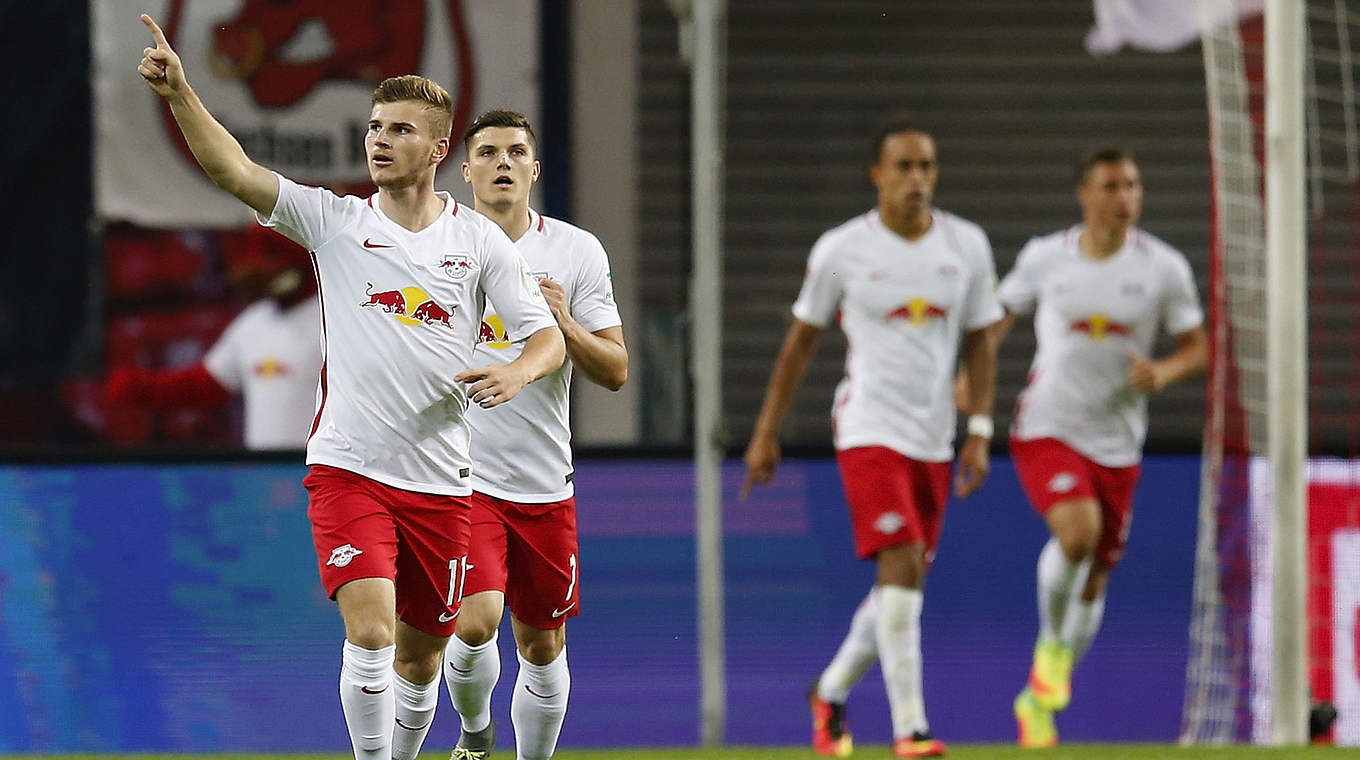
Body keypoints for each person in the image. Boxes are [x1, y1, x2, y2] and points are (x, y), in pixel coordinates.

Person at [137, 16, 565, 760]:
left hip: (441, 479)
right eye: (373, 126)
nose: (378, 140)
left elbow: (547, 338)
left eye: (399, 130)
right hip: (349, 467)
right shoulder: (334, 223)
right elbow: (236, 171)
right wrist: (181, 95)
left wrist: (516, 370)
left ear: (437, 150)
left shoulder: (479, 242)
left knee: (421, 658)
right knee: (370, 631)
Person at [742, 114, 1003, 759]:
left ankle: (829, 693)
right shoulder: (842, 251)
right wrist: (765, 433)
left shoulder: (967, 247)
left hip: (934, 435)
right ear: (877, 176)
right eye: (904, 167)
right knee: (902, 564)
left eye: (927, 167)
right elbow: (800, 344)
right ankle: (911, 729)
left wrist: (980, 430)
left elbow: (981, 342)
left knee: (900, 584)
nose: (917, 180)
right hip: (867, 427)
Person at [992, 146, 1206, 748]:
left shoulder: (1163, 267)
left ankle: (1038, 696)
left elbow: (1198, 346)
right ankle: (1051, 651)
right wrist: (968, 375)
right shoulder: (1044, 258)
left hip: (1118, 442)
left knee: (1094, 577)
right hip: (1048, 425)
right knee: (1077, 537)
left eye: (1133, 186)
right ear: (1084, 194)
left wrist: (1163, 373)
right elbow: (998, 316)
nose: (1125, 198)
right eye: (1112, 186)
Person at [441, 109, 627, 760]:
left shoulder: (576, 252)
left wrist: (565, 324)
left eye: (516, 152)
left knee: (542, 645)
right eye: (487, 152)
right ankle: (473, 736)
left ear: (534, 169)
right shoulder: (436, 246)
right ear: (464, 172)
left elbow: (616, 371)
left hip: (544, 481)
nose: (502, 163)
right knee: (474, 621)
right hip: (462, 477)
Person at [106, 226, 321, 450]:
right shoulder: (253, 323)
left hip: (326, 472)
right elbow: (205, 385)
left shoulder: (332, 320)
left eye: (271, 255)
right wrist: (141, 388)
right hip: (264, 472)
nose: (260, 267)